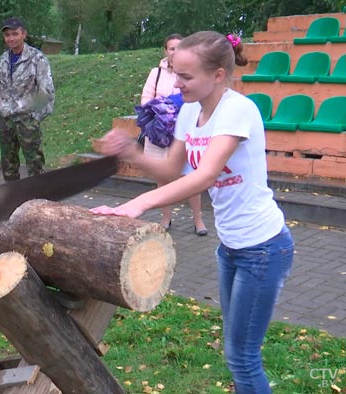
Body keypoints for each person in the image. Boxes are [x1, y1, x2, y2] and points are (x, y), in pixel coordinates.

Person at [92, 31, 294, 393]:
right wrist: (133, 153)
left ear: (217, 75)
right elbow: (173, 169)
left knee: (242, 357)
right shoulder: (189, 112)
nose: (176, 82)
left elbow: (205, 175)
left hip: (263, 248)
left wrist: (137, 204)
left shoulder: (238, 110)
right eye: (173, 72)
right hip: (230, 249)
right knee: (238, 356)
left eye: (185, 76)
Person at [141, 33, 207, 235]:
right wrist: (161, 110)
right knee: (162, 175)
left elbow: (198, 99)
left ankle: (198, 220)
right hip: (160, 132)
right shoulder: (156, 73)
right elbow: (145, 98)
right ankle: (166, 217)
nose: (174, 52)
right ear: (165, 51)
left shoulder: (191, 72)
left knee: (190, 175)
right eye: (171, 48)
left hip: (184, 130)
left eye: (179, 48)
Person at [0, 17, 55, 181]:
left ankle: (38, 202)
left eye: (15, 34)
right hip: (5, 121)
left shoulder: (37, 58)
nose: (11, 38)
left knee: (35, 167)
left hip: (27, 121)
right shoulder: (3, 60)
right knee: (8, 167)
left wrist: (35, 117)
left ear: (24, 34)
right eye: (7, 35)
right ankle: (13, 201)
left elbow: (47, 92)